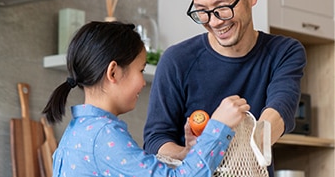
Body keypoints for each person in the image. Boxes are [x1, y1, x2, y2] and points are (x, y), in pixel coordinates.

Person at [143, 0, 306, 176]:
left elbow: (280, 110)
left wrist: (254, 141)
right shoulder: (176, 60)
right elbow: (155, 139)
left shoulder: (284, 52)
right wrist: (192, 152)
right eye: (202, 11)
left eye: (223, 7)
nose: (214, 21)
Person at [42, 21, 250, 177]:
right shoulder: (103, 135)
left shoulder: (79, 130)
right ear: (113, 72)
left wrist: (188, 153)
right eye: (140, 70)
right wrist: (219, 127)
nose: (143, 82)